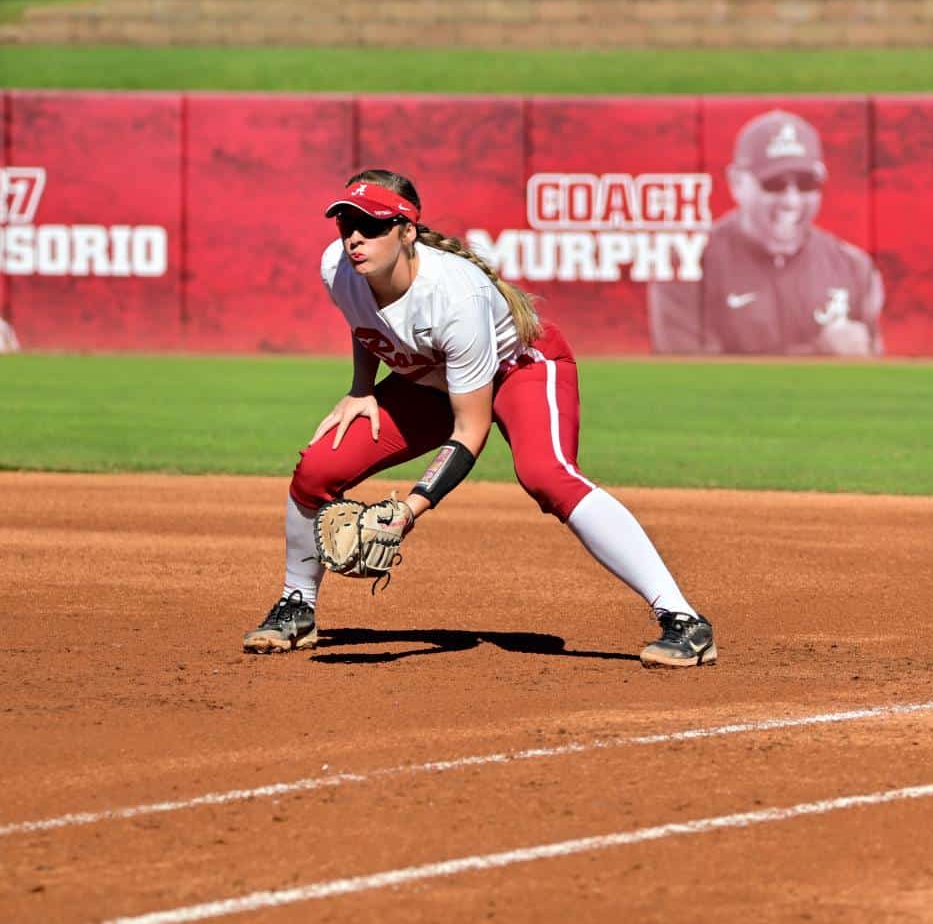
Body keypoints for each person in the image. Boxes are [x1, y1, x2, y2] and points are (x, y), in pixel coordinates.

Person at [242, 169, 716, 669]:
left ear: (407, 232)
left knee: (546, 475)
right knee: (318, 469)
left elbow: (470, 429)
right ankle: (298, 606)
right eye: (346, 223)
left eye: (373, 225)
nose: (355, 236)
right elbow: (367, 325)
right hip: (429, 379)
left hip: (521, 370)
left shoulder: (454, 296)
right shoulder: (338, 265)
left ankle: (684, 620)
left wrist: (407, 511)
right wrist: (360, 389)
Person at [649, 109, 884, 356]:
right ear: (737, 183)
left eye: (806, 184)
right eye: (774, 184)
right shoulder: (687, 265)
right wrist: (819, 352)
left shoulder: (853, 267)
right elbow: (692, 383)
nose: (791, 201)